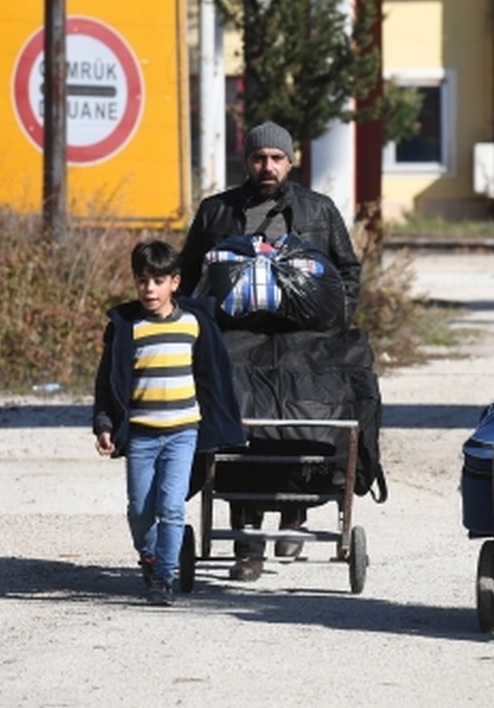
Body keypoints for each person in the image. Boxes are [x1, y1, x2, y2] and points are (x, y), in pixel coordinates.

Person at [178, 120, 362, 582]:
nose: (268, 166)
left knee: (309, 411)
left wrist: (335, 320)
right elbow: (186, 274)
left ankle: (296, 514)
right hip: (237, 338)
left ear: (290, 161)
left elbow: (348, 271)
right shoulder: (216, 212)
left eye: (277, 158)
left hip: (306, 339)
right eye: (260, 158)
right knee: (237, 423)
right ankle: (246, 542)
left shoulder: (318, 210)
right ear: (247, 160)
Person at [93, 240, 244, 605]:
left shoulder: (194, 325)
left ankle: (163, 577)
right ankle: (148, 553)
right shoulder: (126, 328)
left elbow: (212, 377)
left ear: (175, 283)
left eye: (158, 281)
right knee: (140, 511)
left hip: (182, 432)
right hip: (141, 435)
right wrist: (103, 423)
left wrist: (222, 423)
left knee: (172, 506)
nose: (149, 289)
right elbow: (106, 382)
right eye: (142, 280)